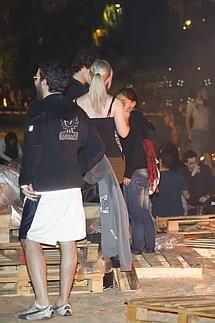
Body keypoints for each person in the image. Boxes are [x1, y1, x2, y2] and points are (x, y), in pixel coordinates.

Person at [18, 62, 104, 319]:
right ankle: (62, 302)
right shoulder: (77, 112)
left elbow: (33, 146)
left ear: (44, 81)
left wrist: (25, 180)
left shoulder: (39, 109)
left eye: (36, 77)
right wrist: (77, 169)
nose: (34, 81)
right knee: (68, 241)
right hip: (71, 188)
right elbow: (97, 148)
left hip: (45, 187)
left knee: (30, 239)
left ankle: (42, 304)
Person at [75, 59, 130, 183]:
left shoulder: (77, 103)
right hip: (112, 161)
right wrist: (126, 117)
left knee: (89, 201)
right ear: (109, 77)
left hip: (86, 161)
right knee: (111, 201)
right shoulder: (115, 103)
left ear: (91, 75)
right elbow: (124, 133)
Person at [117, 87, 155, 254]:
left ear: (133, 104)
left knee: (136, 212)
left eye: (124, 102)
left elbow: (135, 148)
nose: (121, 105)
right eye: (119, 102)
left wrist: (127, 173)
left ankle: (138, 247)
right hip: (143, 169)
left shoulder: (134, 119)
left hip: (136, 170)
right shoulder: (140, 118)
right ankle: (149, 246)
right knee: (144, 211)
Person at [151, 143, 190, 217]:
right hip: (177, 214)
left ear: (160, 160)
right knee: (183, 198)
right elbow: (187, 196)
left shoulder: (154, 178)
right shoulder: (179, 177)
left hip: (158, 214)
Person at [182, 150, 215, 214]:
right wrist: (192, 175)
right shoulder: (183, 173)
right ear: (185, 163)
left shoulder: (205, 169)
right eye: (191, 163)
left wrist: (207, 196)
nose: (194, 165)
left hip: (206, 200)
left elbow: (213, 187)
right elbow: (185, 188)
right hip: (191, 203)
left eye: (195, 162)